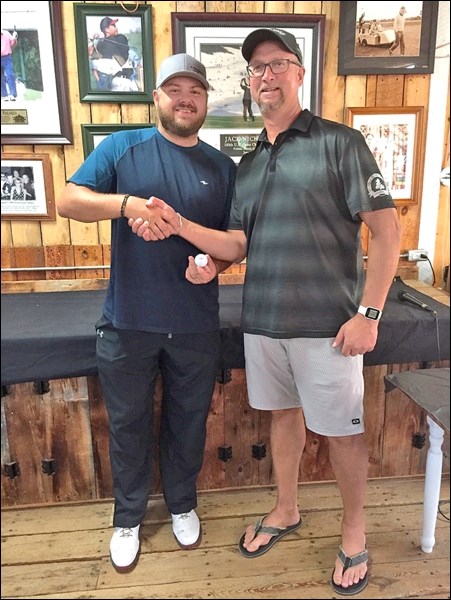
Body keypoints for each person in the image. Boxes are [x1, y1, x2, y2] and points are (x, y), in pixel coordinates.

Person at [129, 28, 401, 596]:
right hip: (264, 322)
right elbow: (235, 243)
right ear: (249, 84)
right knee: (283, 418)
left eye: (278, 63)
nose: (267, 75)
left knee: (343, 434)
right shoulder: (248, 164)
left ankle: (354, 533)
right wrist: (186, 233)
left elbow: (387, 228)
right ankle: (285, 509)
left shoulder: (340, 142)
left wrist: (369, 315)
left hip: (329, 326)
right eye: (257, 69)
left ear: (300, 73)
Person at [56, 53, 236, 573]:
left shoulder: (222, 168)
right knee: (129, 425)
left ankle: (182, 505)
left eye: (195, 91)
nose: (185, 98)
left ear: (205, 103)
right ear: (155, 97)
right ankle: (128, 518)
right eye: (174, 89)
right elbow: (68, 201)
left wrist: (214, 266)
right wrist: (131, 206)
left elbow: (233, 243)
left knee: (188, 423)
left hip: (196, 324)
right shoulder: (121, 147)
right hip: (128, 322)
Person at [90, 17, 136, 91]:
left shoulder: (121, 38)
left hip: (127, 81)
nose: (116, 27)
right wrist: (92, 40)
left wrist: (101, 35)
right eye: (113, 25)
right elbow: (92, 53)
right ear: (107, 29)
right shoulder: (101, 44)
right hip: (116, 81)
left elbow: (109, 42)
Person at [1, 28, 18, 102]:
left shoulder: (6, 33)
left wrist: (14, 38)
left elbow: (12, 45)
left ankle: (12, 94)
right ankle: (4, 95)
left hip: (7, 57)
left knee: (10, 74)